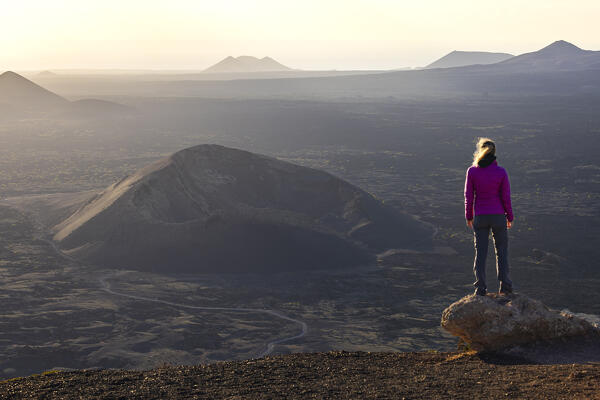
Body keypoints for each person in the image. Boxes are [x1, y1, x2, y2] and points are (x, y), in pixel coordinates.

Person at [464, 138, 514, 296]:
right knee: (502, 252)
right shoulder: (501, 172)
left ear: (480, 151)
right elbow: (506, 196)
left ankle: (480, 288)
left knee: (481, 253)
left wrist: (469, 216)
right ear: (494, 153)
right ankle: (505, 287)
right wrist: (509, 216)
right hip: (498, 216)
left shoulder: (472, 171)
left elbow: (468, 196)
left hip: (480, 216)